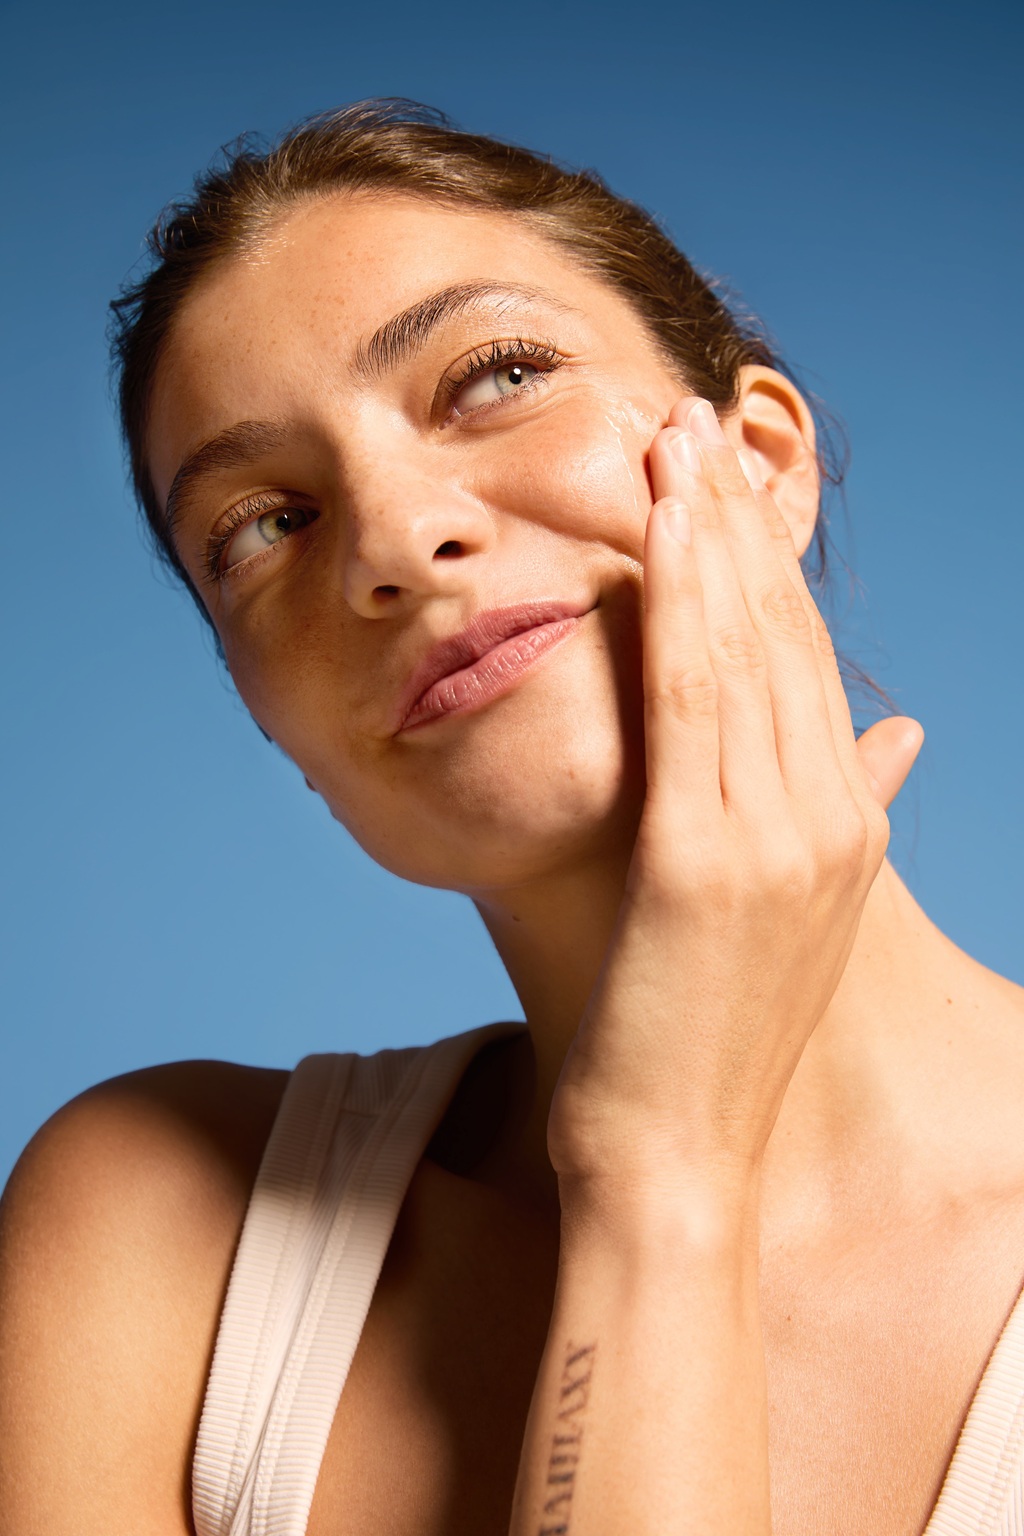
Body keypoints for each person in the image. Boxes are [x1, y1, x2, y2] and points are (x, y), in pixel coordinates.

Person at [1, 98, 1022, 1536]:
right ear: (262, 709)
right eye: (264, 523)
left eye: (496, 376)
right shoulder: (160, 1231)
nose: (393, 541)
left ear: (760, 459)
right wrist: (658, 1171)